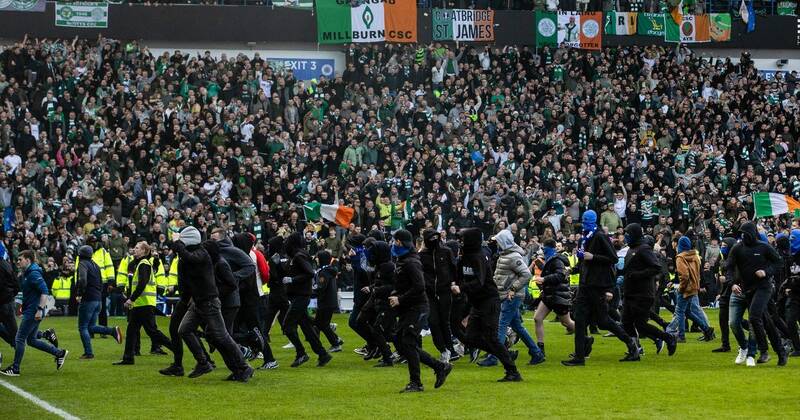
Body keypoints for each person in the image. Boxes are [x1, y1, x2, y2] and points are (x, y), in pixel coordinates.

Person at [173, 228, 254, 382]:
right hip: (200, 302)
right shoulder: (195, 256)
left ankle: (242, 367)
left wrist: (177, 242)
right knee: (186, 330)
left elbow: (190, 258)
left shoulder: (201, 255)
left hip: (210, 302)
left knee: (222, 337)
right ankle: (205, 362)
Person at [563, 210, 640, 366]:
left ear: (592, 221)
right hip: (586, 284)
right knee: (580, 318)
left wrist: (593, 257)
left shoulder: (599, 236)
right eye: (583, 221)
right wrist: (574, 268)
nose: (584, 224)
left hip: (596, 285)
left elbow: (612, 258)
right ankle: (579, 355)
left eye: (586, 221)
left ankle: (631, 344)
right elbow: (584, 259)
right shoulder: (585, 237)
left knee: (603, 321)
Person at [452, 227, 521, 381]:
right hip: (476, 302)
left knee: (491, 338)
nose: (460, 243)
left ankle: (512, 371)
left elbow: (480, 281)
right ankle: (505, 354)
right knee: (470, 337)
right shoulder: (464, 258)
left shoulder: (479, 258)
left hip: (489, 301)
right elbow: (459, 277)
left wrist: (461, 288)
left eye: (463, 240)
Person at [388, 229, 452, 393]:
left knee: (408, 343)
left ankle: (416, 382)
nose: (394, 244)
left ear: (401, 243)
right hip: (409, 308)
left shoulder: (411, 262)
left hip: (417, 308)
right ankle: (439, 367)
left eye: (396, 241)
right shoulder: (403, 260)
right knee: (403, 343)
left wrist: (400, 298)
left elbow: (419, 286)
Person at [726, 222, 788, 367]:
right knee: (765, 320)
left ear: (752, 233)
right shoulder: (737, 248)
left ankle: (764, 350)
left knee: (754, 316)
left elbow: (778, 263)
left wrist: (766, 272)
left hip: (764, 287)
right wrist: (732, 283)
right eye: (741, 233)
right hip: (748, 290)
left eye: (745, 233)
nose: (743, 236)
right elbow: (728, 267)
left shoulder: (764, 247)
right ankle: (780, 351)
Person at [480, 230, 545, 367]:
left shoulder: (513, 257)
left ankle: (494, 356)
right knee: (517, 326)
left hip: (511, 297)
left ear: (503, 242)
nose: (496, 243)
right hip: (508, 295)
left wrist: (513, 289)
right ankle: (536, 352)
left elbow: (526, 275)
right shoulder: (507, 255)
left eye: (498, 241)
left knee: (501, 325)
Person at [1, 251, 68, 376]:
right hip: (31, 310)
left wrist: (40, 309)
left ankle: (15, 369)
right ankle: (59, 353)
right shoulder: (28, 273)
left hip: (33, 311)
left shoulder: (33, 273)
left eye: (20, 259)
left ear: (28, 260)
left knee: (19, 338)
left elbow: (44, 291)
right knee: (31, 340)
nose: (18, 261)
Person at [620, 224, 677, 358]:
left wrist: (637, 275)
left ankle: (668, 338)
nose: (626, 236)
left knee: (640, 324)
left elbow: (656, 267)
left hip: (642, 293)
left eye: (628, 233)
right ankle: (634, 351)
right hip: (630, 292)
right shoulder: (631, 249)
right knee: (626, 323)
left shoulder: (644, 249)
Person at [114, 241, 173, 366]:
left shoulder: (144, 264)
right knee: (132, 331)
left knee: (152, 331)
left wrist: (131, 299)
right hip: (141, 304)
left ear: (144, 251)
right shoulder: (141, 263)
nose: (134, 250)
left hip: (144, 304)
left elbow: (142, 283)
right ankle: (128, 358)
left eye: (137, 248)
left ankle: (176, 348)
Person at [281, 232, 332, 367]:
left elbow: (309, 273)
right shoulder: (296, 256)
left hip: (301, 296)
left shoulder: (299, 256)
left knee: (287, 326)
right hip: (299, 295)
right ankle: (322, 354)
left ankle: (301, 352)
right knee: (306, 327)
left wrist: (292, 279)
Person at [75, 245, 123, 359]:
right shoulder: (96, 265)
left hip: (88, 299)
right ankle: (112, 331)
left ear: (80, 254)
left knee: (83, 327)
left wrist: (79, 293)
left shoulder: (82, 264)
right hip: (98, 299)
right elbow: (101, 282)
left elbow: (82, 280)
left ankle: (88, 353)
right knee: (91, 327)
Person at [666, 236, 716, 343]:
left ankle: (681, 335)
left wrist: (681, 288)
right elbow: (698, 273)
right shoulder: (695, 256)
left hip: (685, 288)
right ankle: (707, 330)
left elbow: (684, 275)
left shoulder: (680, 257)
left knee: (679, 311)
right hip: (694, 287)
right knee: (688, 312)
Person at [419, 229, 457, 362]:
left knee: (444, 322)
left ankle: (450, 350)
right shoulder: (422, 255)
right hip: (429, 293)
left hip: (445, 291)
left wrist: (453, 283)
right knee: (434, 321)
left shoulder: (446, 252)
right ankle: (443, 348)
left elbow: (454, 269)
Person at [532, 238, 575, 356]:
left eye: (544, 249)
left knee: (566, 323)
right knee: (537, 318)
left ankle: (584, 337)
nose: (543, 251)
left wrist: (544, 279)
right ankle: (540, 349)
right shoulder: (551, 260)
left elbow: (560, 276)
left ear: (548, 249)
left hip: (558, 295)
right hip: (549, 295)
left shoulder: (556, 261)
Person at [260, 236, 290, 369]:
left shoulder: (276, 257)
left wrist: (273, 267)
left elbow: (278, 276)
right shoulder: (281, 256)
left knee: (268, 322)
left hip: (278, 293)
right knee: (288, 320)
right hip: (279, 293)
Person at [314, 250, 343, 352]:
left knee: (322, 324)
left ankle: (335, 343)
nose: (316, 259)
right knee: (319, 323)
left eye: (318, 257)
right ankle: (336, 340)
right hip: (329, 301)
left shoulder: (324, 272)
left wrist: (310, 292)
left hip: (325, 302)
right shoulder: (329, 270)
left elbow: (321, 287)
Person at [712, 237, 738, 353]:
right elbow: (718, 273)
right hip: (724, 293)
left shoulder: (736, 260)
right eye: (721, 245)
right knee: (723, 319)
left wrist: (726, 280)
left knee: (736, 320)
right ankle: (725, 344)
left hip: (733, 292)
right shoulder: (722, 258)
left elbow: (736, 276)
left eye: (724, 246)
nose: (722, 248)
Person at [784, 229, 800, 357]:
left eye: (793, 239)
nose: (791, 241)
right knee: (790, 320)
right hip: (793, 295)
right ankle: (797, 347)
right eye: (790, 239)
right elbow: (788, 275)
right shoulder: (790, 257)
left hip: (796, 291)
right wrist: (788, 286)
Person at [0, 256, 19, 348]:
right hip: (9, 301)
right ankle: (16, 344)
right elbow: (16, 284)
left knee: (14, 332)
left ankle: (16, 344)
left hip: (3, 302)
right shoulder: (7, 264)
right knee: (13, 330)